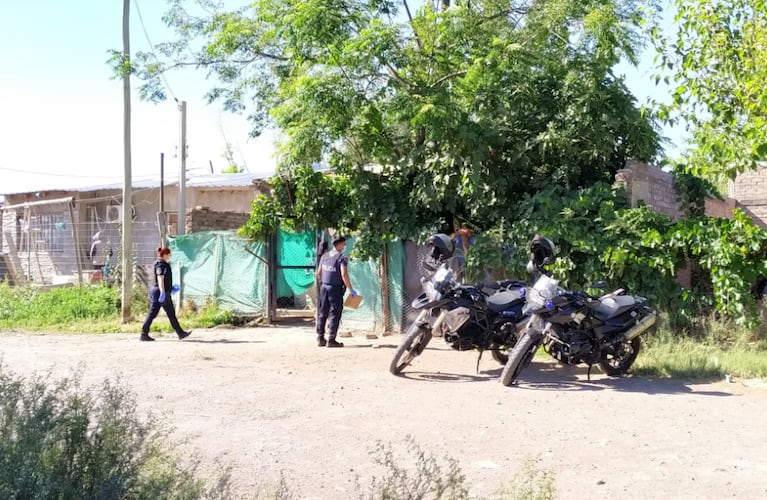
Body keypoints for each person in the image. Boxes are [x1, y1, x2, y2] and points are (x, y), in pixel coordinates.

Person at [140, 246, 191, 342]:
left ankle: (180, 333)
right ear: (164, 255)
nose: (170, 256)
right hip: (159, 292)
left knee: (162, 313)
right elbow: (160, 278)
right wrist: (163, 292)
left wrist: (170, 288)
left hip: (157, 291)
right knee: (158, 313)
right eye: (168, 254)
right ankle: (144, 334)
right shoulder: (161, 265)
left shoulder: (158, 263)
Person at [315, 235, 357, 348]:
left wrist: (324, 283)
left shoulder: (325, 256)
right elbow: (344, 274)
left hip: (324, 287)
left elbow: (319, 273)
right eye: (343, 244)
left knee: (323, 312)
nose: (344, 246)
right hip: (335, 289)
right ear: (338, 244)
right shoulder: (341, 257)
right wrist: (351, 289)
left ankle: (320, 338)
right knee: (335, 313)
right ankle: (331, 339)